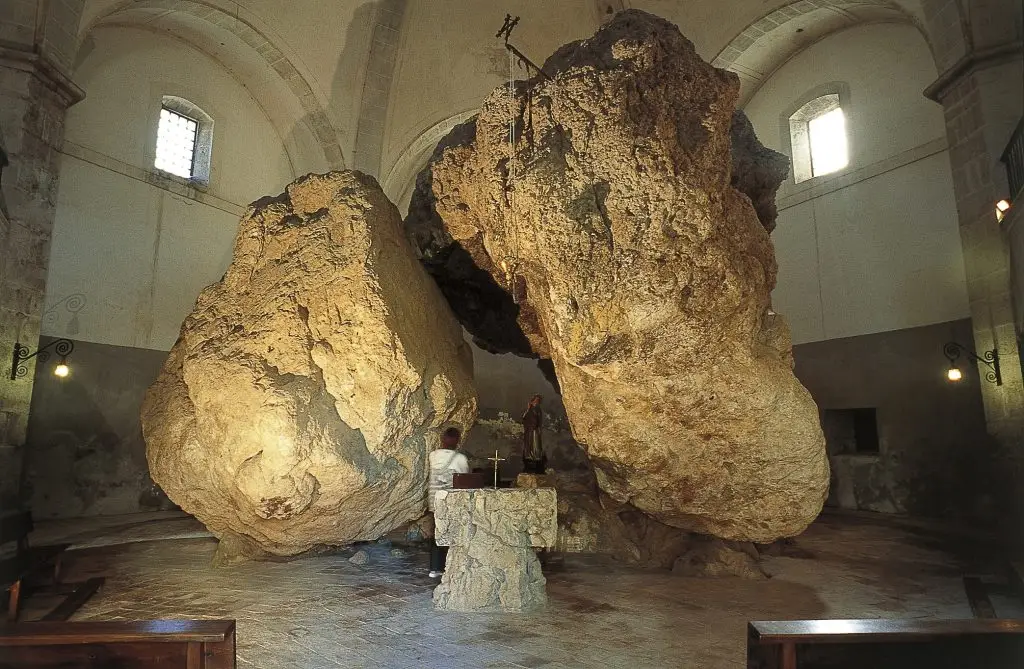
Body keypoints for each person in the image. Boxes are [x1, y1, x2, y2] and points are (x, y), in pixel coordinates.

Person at [427, 426, 469, 578]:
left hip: (434, 500)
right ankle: (449, 567)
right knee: (453, 533)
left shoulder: (433, 455)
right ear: (457, 441)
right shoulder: (460, 459)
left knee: (437, 532)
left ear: (442, 439)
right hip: (451, 502)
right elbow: (465, 478)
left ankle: (434, 568)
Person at [522, 394, 544, 474]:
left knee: (535, 444)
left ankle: (536, 456)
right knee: (529, 443)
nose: (536, 401)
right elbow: (524, 417)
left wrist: (539, 428)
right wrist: (528, 409)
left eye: (538, 400)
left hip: (535, 429)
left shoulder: (538, 409)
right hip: (529, 429)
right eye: (535, 399)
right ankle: (529, 456)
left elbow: (539, 420)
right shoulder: (530, 408)